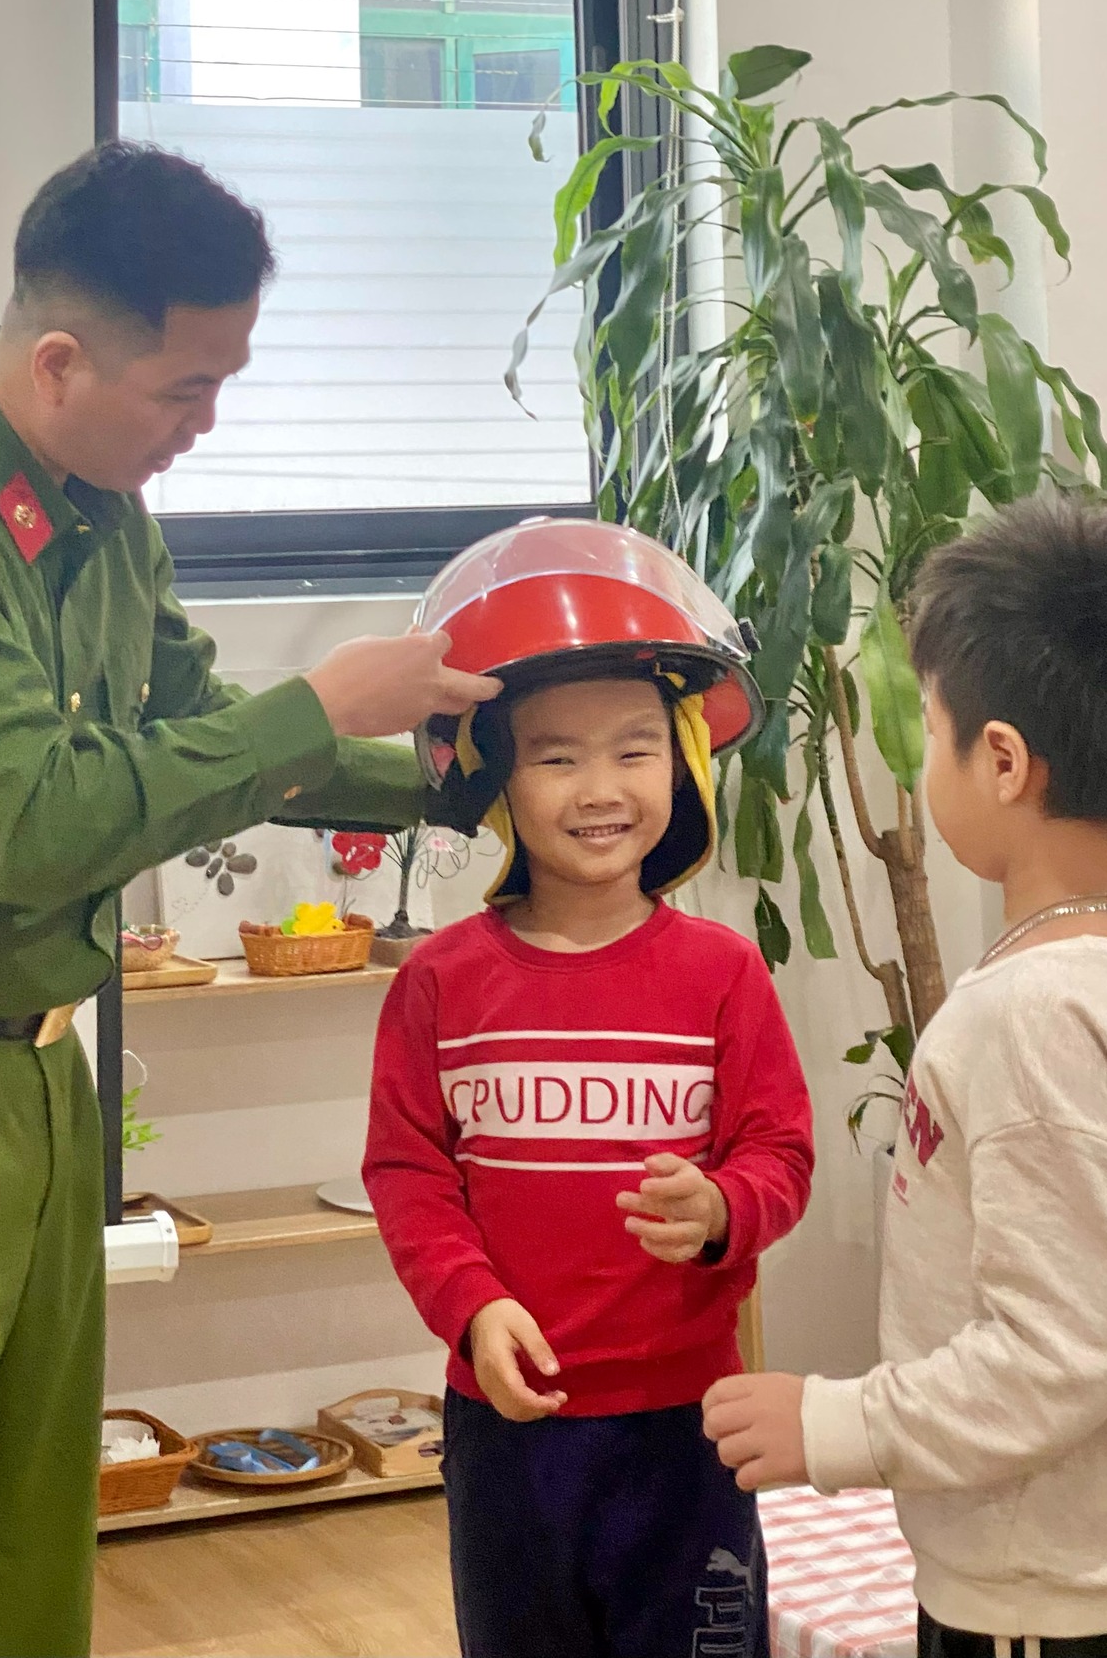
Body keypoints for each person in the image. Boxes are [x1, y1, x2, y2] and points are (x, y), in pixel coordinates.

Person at [0, 140, 501, 1658]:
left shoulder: (96, 507)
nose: (207, 424)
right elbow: (36, 821)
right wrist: (324, 700)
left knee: (29, 1551)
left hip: (31, 1073)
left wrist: (471, 784)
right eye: (186, 389)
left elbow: (194, 733)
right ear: (60, 359)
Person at [363, 521, 815, 1658]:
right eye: (556, 757)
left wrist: (722, 1207)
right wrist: (471, 1306)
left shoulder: (723, 972)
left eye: (634, 749)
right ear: (494, 776)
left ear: (684, 761)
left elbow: (779, 1153)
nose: (600, 788)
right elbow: (409, 1175)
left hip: (686, 1426)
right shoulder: (438, 982)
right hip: (508, 1427)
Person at [703, 490, 1107, 1658]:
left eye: (930, 729)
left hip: (1043, 1596)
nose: (923, 757)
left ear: (1003, 760)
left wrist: (832, 1422)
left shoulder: (1031, 1014)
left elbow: (1057, 1351)